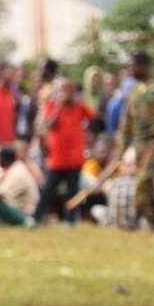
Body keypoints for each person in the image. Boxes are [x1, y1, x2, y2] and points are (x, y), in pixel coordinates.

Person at [116, 53, 154, 233]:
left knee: (144, 179)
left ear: (144, 65)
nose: (130, 70)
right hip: (139, 143)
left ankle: (135, 216)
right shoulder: (134, 91)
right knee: (146, 183)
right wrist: (122, 146)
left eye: (133, 66)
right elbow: (127, 121)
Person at [34, 77, 95, 223]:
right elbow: (50, 125)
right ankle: (36, 218)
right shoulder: (52, 105)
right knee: (48, 189)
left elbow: (94, 118)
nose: (67, 92)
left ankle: (71, 221)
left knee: (72, 192)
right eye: (64, 89)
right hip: (57, 159)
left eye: (70, 89)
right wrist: (59, 105)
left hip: (74, 158)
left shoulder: (80, 107)